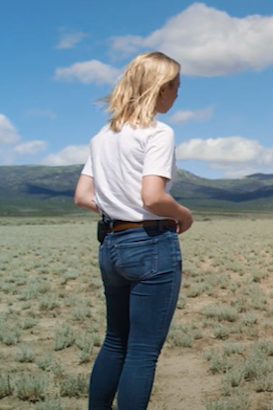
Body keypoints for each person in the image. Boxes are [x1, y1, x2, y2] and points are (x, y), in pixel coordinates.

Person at [73, 51, 194, 410]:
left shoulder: (103, 135)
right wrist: (184, 215)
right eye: (175, 86)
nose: (177, 94)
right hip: (150, 244)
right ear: (158, 88)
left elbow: (82, 196)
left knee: (115, 341)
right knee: (142, 352)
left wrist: (117, 208)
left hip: (111, 244)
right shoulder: (158, 133)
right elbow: (153, 196)